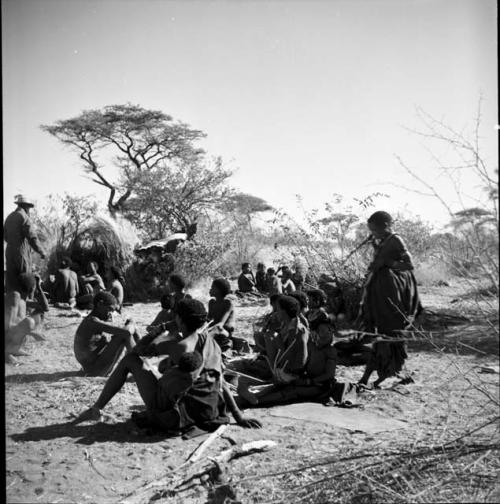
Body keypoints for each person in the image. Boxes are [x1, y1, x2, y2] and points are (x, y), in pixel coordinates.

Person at [71, 298, 262, 434]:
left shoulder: (177, 345)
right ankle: (97, 408)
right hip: (207, 410)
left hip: (177, 416)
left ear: (179, 319)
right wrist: (238, 415)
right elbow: (220, 381)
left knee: (130, 360)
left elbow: (138, 350)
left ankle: (97, 408)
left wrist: (162, 328)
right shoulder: (211, 343)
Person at [357, 211, 423, 388]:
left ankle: (382, 373)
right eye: (371, 230)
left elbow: (409, 265)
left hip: (393, 292)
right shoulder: (381, 240)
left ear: (386, 226)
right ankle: (373, 374)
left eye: (375, 230)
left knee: (390, 334)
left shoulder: (396, 240)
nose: (373, 233)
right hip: (380, 291)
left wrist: (388, 263)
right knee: (380, 334)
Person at [73, 291, 138, 377]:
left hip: (94, 367)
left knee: (125, 331)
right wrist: (132, 323)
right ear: (100, 304)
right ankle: (140, 367)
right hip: (95, 371)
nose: (110, 314)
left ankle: (142, 358)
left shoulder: (92, 320)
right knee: (125, 334)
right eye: (109, 309)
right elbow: (126, 333)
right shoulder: (92, 321)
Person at [4, 195, 46, 293]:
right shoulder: (24, 217)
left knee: (12, 283)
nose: (29, 210)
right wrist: (42, 252)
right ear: (25, 206)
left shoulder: (9, 217)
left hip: (9, 253)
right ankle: (23, 305)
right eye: (29, 208)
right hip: (21, 254)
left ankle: (12, 303)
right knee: (24, 281)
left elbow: (5, 236)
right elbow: (32, 238)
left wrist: (13, 243)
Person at [5, 273, 49, 363]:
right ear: (32, 287)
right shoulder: (15, 296)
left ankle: (15, 349)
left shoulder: (23, 299)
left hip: (12, 335)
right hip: (7, 335)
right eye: (35, 286)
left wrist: (39, 287)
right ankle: (7, 352)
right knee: (29, 322)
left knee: (39, 315)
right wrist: (33, 333)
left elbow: (45, 307)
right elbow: (7, 325)